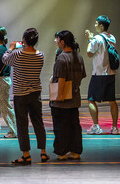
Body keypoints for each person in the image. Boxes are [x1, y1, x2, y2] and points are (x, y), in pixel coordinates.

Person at [2, 27, 48, 165]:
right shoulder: (40, 55)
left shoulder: (17, 54)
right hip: (35, 93)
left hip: (21, 94)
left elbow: (5, 59)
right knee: (38, 123)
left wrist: (10, 48)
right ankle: (43, 152)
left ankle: (26, 155)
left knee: (22, 125)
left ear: (23, 40)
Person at [51, 30, 87, 160]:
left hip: (62, 100)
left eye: (57, 40)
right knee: (74, 126)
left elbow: (61, 78)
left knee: (61, 126)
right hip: (75, 97)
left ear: (63, 42)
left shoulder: (62, 58)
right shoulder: (79, 57)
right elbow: (82, 76)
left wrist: (60, 94)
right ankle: (75, 151)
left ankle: (61, 152)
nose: (56, 42)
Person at [84, 15, 119, 135]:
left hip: (99, 74)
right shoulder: (112, 38)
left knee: (91, 99)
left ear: (101, 26)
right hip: (111, 73)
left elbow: (89, 53)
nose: (95, 25)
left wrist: (90, 39)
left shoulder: (97, 39)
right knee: (112, 101)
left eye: (96, 23)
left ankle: (96, 126)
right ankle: (115, 128)